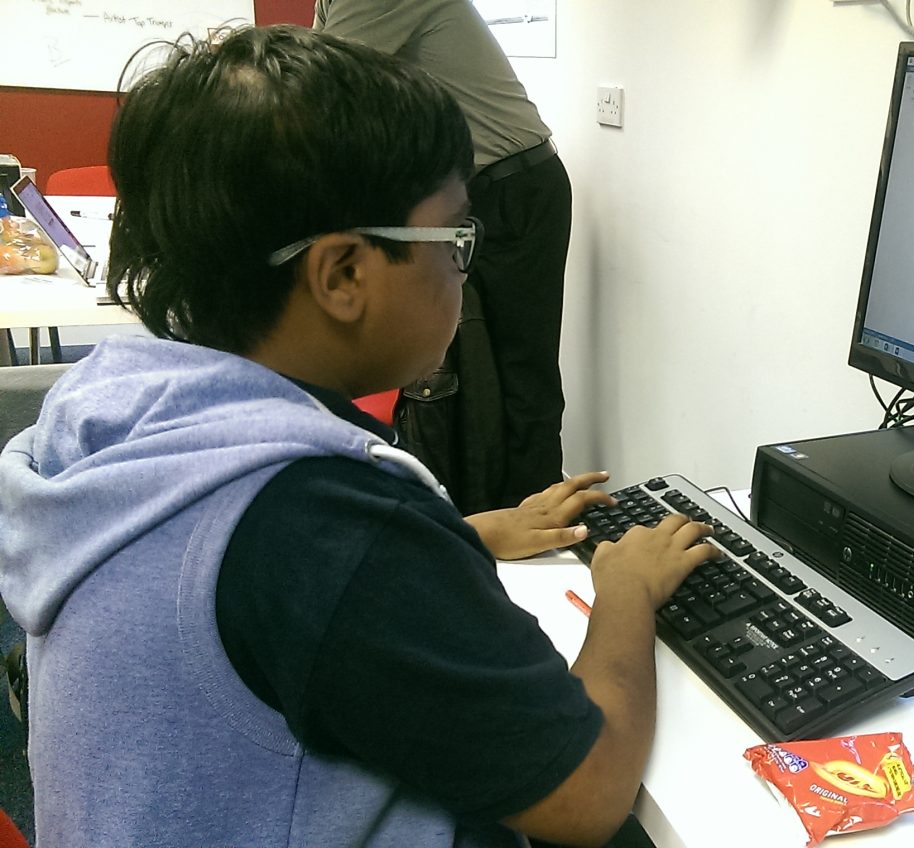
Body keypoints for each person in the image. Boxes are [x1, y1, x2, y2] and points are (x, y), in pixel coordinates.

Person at [0, 25, 713, 847]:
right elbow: (584, 796)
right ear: (342, 274)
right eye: (456, 237)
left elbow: (225, 576)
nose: (464, 266)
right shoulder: (332, 529)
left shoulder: (112, 404)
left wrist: (464, 536)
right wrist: (625, 588)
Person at [315, 0, 573, 511]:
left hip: (512, 186)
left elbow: (316, 91)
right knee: (474, 375)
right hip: (471, 187)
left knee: (523, 378)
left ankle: (546, 529)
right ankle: (490, 521)